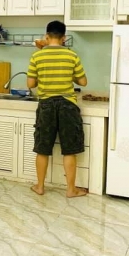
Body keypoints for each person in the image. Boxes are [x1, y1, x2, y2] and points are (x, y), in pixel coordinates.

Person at [27, 21, 88, 198]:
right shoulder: (72, 55)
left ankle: (40, 187)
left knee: (42, 148)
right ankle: (71, 190)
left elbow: (30, 83)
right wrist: (69, 74)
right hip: (68, 105)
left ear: (47, 36)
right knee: (69, 149)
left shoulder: (36, 56)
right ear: (64, 38)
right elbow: (83, 82)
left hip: (46, 105)